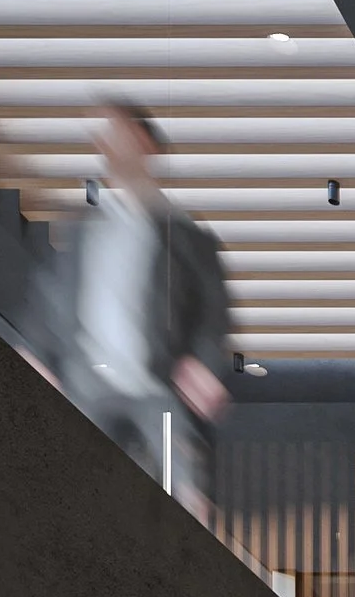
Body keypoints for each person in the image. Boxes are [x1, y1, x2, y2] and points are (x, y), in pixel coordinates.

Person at [33, 104, 231, 520]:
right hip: (89, 380)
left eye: (119, 136)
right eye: (104, 138)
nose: (107, 147)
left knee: (184, 479)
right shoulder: (81, 229)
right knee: (71, 485)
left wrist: (204, 365)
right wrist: (36, 352)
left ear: (146, 145)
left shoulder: (188, 239)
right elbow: (52, 297)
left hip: (154, 382)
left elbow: (212, 311)